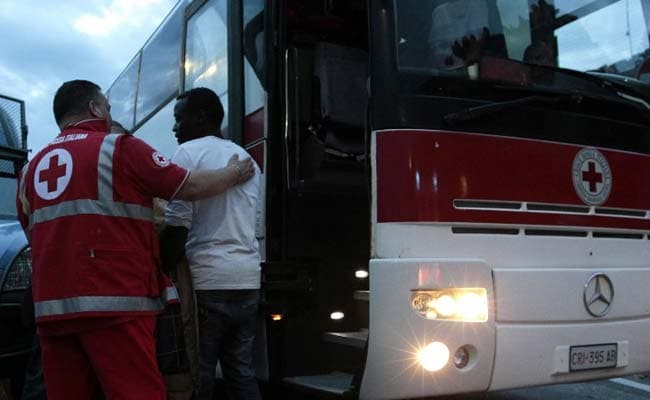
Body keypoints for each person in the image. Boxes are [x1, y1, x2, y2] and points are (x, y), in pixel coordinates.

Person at [15, 79, 255, 400]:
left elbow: (36, 235)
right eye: (108, 108)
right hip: (117, 306)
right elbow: (190, 187)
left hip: (54, 312)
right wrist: (234, 174)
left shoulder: (29, 171)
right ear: (94, 108)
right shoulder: (118, 148)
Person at [160, 87, 262, 400]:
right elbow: (255, 224)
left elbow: (178, 225)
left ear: (202, 117)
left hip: (206, 283)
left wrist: (160, 266)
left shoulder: (188, 153)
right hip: (247, 280)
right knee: (241, 372)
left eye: (179, 119)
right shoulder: (248, 161)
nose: (175, 128)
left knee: (198, 374)